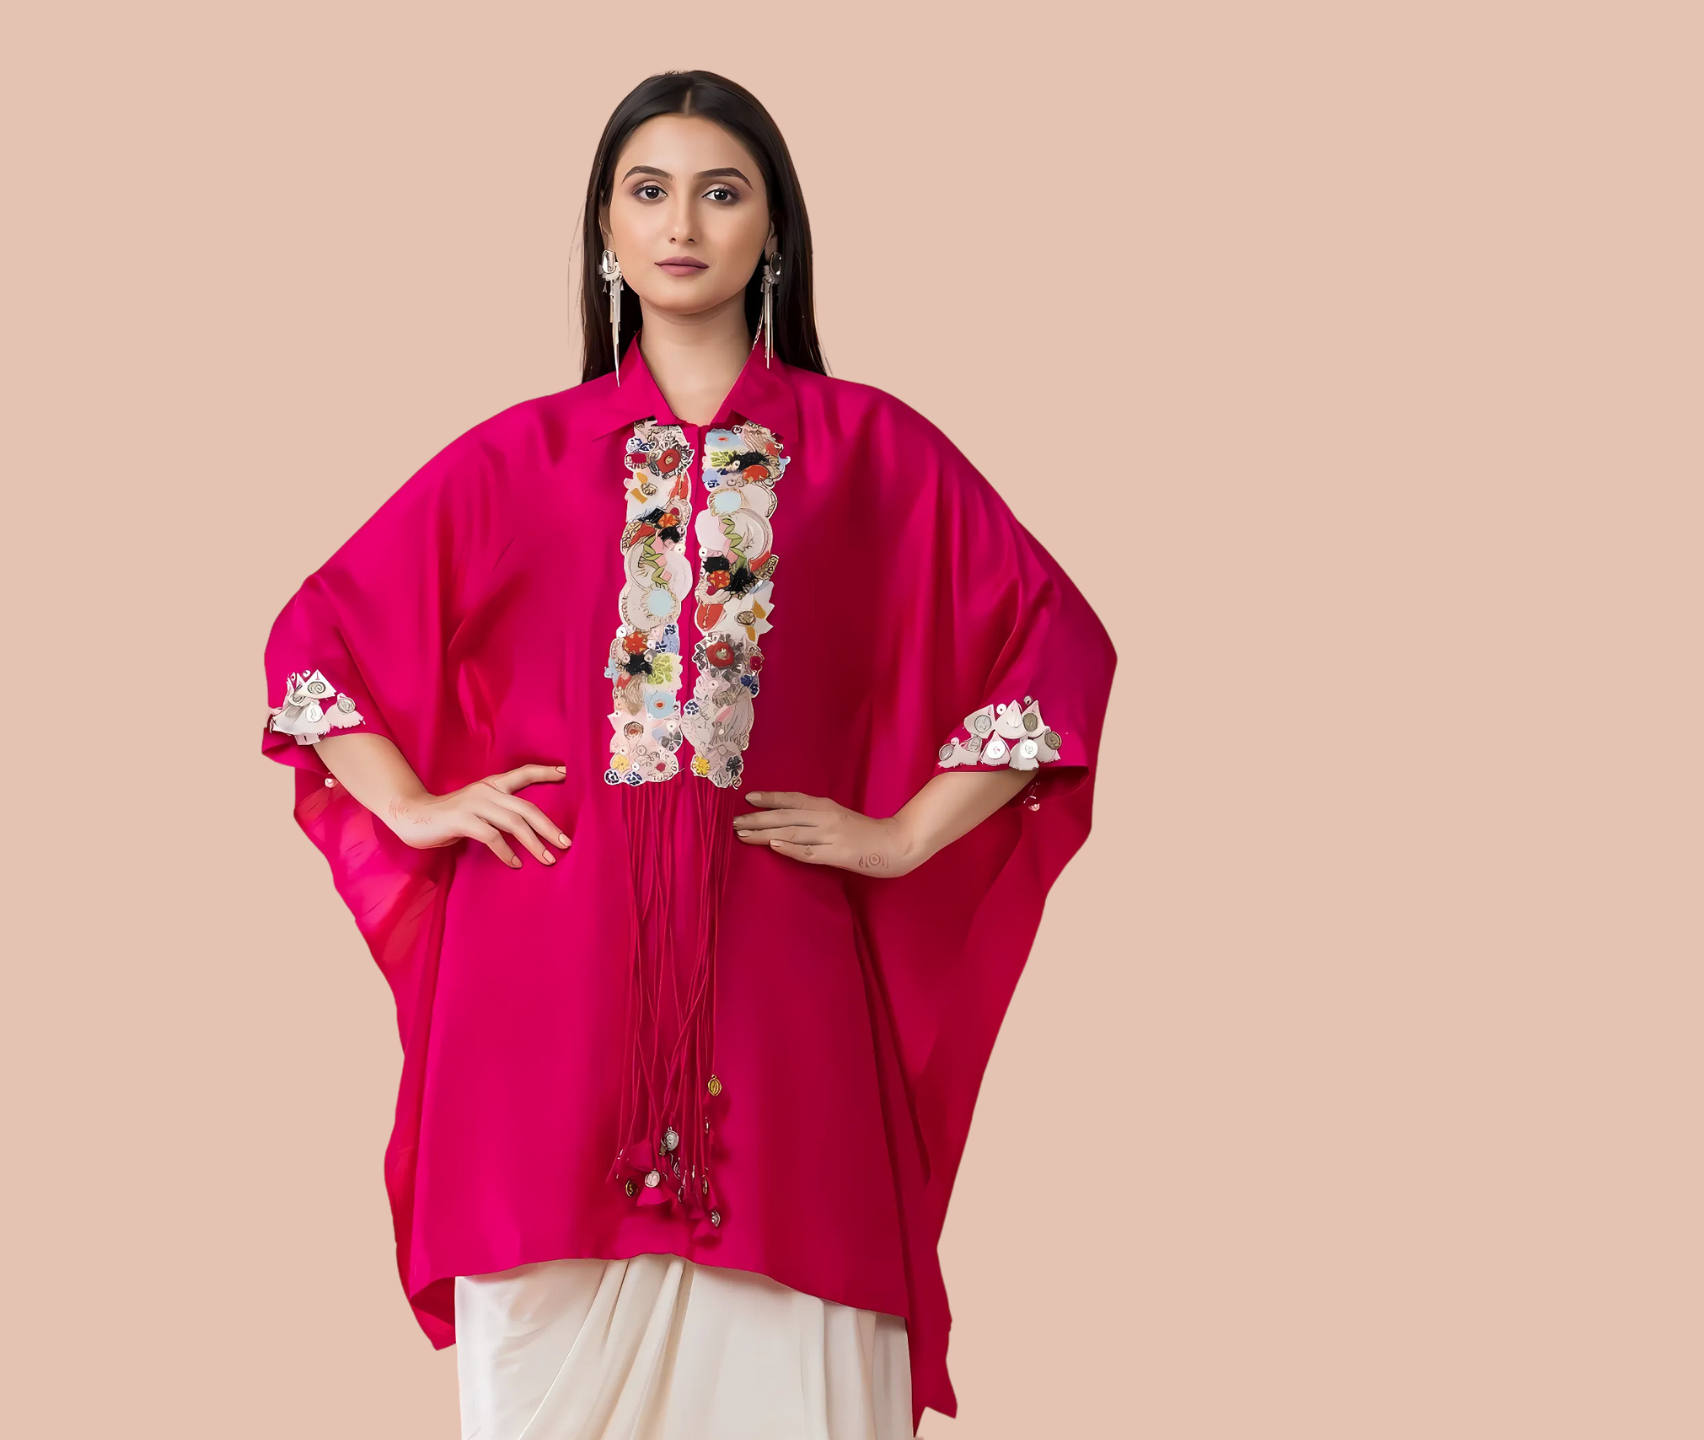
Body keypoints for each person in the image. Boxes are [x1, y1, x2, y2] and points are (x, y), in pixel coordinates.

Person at [258, 70, 1115, 1438]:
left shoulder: (868, 450)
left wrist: (902, 835)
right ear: (604, 228)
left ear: (773, 228)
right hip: (542, 982)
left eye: (722, 192)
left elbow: (1054, 647)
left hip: (782, 979)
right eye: (648, 191)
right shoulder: (520, 458)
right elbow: (317, 644)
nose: (682, 224)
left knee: (797, 1346)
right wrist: (411, 804)